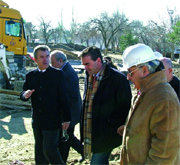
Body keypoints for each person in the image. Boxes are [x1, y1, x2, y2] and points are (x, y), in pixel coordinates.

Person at [120, 43, 180, 164]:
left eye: (130, 72)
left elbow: (165, 152)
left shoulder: (164, 98)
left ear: (145, 70)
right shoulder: (143, 93)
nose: (128, 77)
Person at [79, 46, 132, 165]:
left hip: (107, 135)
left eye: (87, 64)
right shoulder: (90, 75)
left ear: (98, 61)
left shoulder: (118, 79)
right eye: (84, 64)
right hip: (93, 132)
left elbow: (125, 107)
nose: (85, 68)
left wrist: (113, 127)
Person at [20, 45, 71, 165]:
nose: (45, 59)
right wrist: (25, 94)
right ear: (35, 59)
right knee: (39, 152)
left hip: (53, 121)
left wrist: (66, 119)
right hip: (37, 121)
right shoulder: (31, 76)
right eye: (42, 57)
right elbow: (22, 94)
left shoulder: (58, 74)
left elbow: (64, 98)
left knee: (50, 150)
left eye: (47, 56)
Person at [50, 50, 84, 163]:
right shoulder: (64, 70)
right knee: (67, 137)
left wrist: (65, 116)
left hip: (70, 113)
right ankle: (83, 152)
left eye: (52, 62)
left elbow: (71, 97)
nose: (51, 65)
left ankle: (82, 153)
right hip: (69, 113)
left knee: (67, 137)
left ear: (60, 61)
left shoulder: (68, 73)